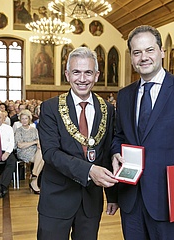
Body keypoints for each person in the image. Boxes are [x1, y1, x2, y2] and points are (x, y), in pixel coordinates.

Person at [111, 25, 174, 239]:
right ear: (131, 57)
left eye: (150, 50)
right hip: (131, 200)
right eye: (137, 52)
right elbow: (118, 136)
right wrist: (114, 153)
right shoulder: (124, 95)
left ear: (162, 51)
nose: (143, 57)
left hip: (170, 200)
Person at [37, 47, 118, 240]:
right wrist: (89, 170)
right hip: (56, 198)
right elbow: (50, 153)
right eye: (76, 72)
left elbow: (106, 153)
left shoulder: (106, 109)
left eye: (88, 72)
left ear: (96, 75)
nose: (82, 79)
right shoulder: (50, 108)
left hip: (90, 200)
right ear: (67, 74)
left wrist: (113, 195)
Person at [14, 109, 44, 194]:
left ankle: (34, 176)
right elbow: (20, 145)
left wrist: (35, 143)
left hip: (34, 150)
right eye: (22, 118)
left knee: (42, 153)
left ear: (29, 119)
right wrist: (34, 142)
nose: (24, 120)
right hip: (23, 152)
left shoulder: (34, 130)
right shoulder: (19, 130)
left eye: (26, 118)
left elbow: (39, 142)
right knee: (42, 158)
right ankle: (34, 178)